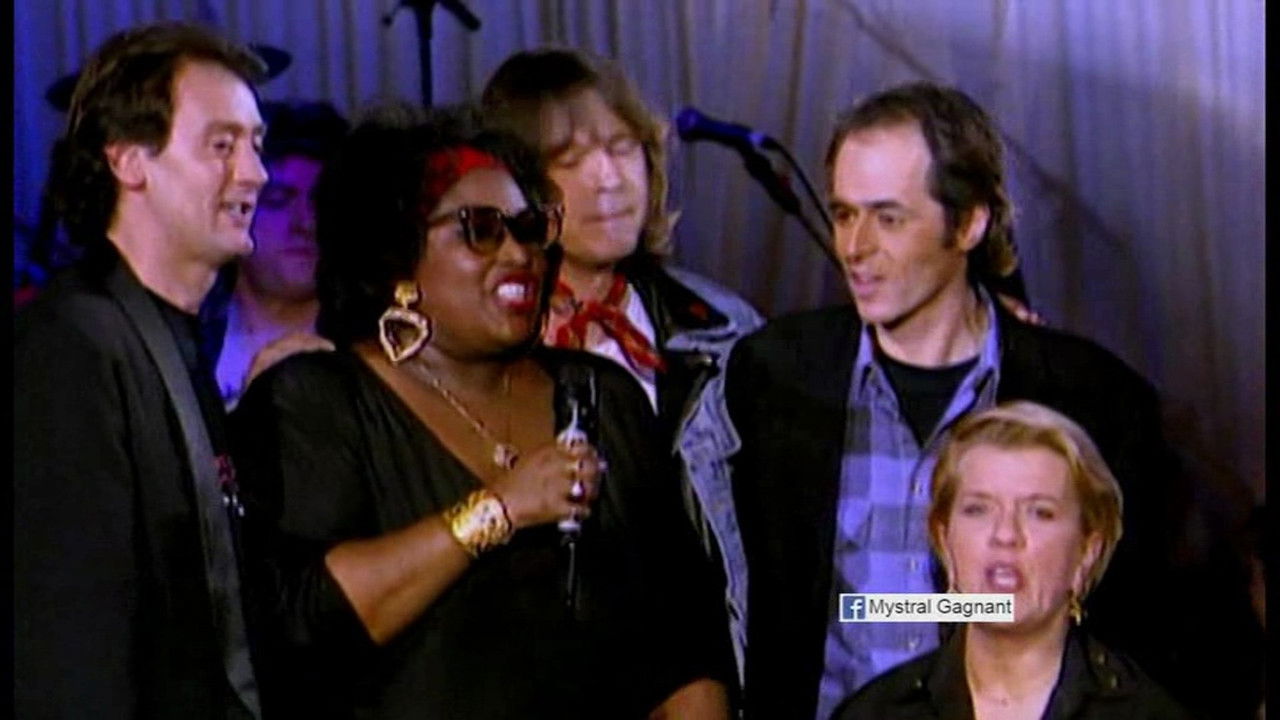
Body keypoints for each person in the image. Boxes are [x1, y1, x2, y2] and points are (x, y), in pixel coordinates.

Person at [230, 104, 733, 718]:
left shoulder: (602, 394)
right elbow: (307, 620)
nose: (520, 253)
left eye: (529, 227)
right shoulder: (316, 401)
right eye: (481, 229)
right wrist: (498, 510)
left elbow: (685, 632)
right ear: (396, 255)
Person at [725, 82, 1189, 719]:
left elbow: (1151, 623)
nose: (854, 247)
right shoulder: (774, 375)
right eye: (844, 214)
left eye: (888, 218)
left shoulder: (1093, 398)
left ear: (969, 222)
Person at [480, 48, 765, 684]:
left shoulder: (721, 329)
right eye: (569, 160)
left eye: (621, 147)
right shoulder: (470, 346)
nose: (607, 178)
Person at [15, 21, 268, 719]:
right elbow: (68, 636)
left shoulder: (170, 335)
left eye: (256, 144)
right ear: (130, 162)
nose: (255, 173)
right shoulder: (71, 346)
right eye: (222, 145)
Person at [832, 401, 1192, 719]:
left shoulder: (1148, 713)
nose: (1005, 534)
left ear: (1087, 552)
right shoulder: (875, 712)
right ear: (944, 540)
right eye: (978, 509)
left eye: (1039, 512)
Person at [214, 100, 348, 409]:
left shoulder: (374, 347)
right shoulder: (186, 337)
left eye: (320, 203)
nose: (305, 223)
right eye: (279, 199)